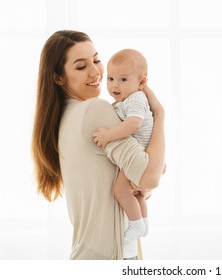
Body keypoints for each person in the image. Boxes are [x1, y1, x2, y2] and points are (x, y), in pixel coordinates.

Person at [31, 30, 165, 260]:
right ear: (58, 77)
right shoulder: (96, 110)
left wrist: (143, 186)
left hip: (92, 252)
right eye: (81, 66)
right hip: (109, 256)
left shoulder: (64, 116)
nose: (96, 72)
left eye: (96, 60)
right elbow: (149, 177)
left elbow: (130, 182)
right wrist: (160, 114)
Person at [93, 49, 153, 244]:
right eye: (110, 78)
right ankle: (143, 221)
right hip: (142, 154)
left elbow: (133, 124)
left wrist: (108, 135)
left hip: (140, 153)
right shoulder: (126, 100)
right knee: (135, 193)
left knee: (120, 190)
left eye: (123, 79)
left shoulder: (136, 99)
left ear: (141, 82)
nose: (114, 85)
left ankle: (136, 224)